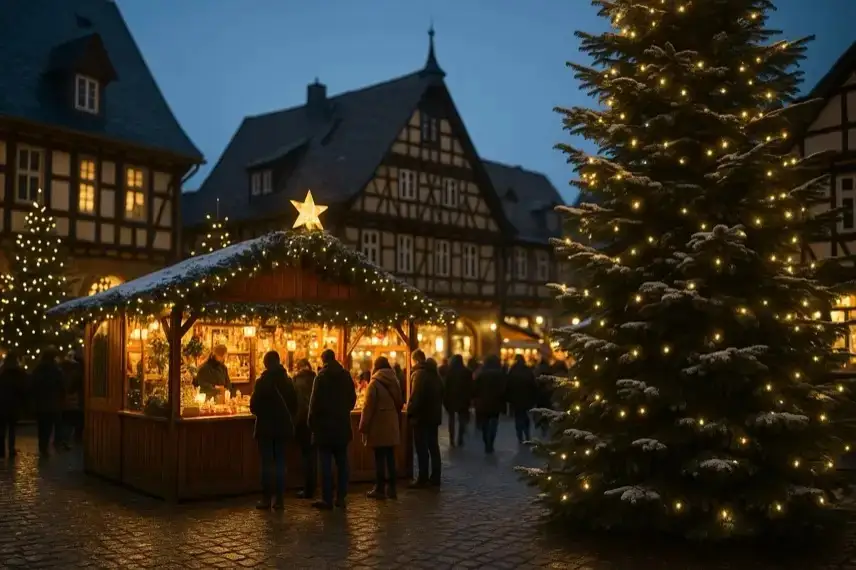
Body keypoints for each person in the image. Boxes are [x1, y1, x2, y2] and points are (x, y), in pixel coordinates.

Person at [249, 350, 298, 510]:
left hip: (266, 428)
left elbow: (254, 407)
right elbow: (294, 405)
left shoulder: (262, 382)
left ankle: (266, 498)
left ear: (265, 364)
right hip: (283, 427)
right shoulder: (288, 381)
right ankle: (280, 499)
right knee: (280, 463)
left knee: (267, 463)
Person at [308, 349, 357, 510]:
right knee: (342, 463)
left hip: (324, 427)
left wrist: (312, 423)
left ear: (323, 361)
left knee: (325, 464)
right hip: (342, 425)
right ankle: (341, 497)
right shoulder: (345, 376)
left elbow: (314, 403)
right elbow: (352, 399)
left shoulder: (321, 377)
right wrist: (343, 410)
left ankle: (327, 498)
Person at [359, 356, 404, 499]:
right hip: (391, 424)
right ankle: (392, 488)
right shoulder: (394, 381)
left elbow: (368, 407)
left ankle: (379, 488)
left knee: (379, 457)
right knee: (390, 457)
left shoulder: (374, 384)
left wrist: (363, 425)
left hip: (378, 425)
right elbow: (400, 402)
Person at [406, 350, 443, 487]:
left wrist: (409, 412)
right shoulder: (434, 374)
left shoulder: (419, 374)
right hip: (434, 416)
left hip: (421, 417)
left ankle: (422, 478)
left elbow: (416, 397)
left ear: (415, 360)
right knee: (433, 447)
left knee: (422, 448)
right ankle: (435, 477)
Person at [31, 348, 65, 457]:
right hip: (52, 403)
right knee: (49, 426)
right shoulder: (56, 370)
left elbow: (33, 385)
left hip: (40, 403)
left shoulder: (38, 369)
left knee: (42, 426)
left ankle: (42, 446)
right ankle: (44, 447)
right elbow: (61, 386)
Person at [292, 358, 317, 499]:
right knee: (313, 455)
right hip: (315, 421)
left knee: (306, 455)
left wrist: (295, 422)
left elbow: (296, 403)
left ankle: (308, 489)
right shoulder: (316, 380)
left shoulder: (296, 382)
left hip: (302, 422)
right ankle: (313, 486)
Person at [474, 355, 506, 454]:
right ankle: (490, 442)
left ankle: (486, 442)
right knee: (494, 423)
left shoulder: (481, 374)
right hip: (496, 402)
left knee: (485, 424)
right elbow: (504, 389)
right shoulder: (500, 374)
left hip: (483, 403)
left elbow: (475, 389)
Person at [0, 351, 28, 458]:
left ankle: (1, 450)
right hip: (14, 405)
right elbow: (23, 389)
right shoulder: (19, 374)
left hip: (2, 404)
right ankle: (11, 449)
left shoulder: (2, 373)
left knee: (2, 428)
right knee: (12, 428)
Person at [506, 354, 538, 443]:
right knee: (525, 415)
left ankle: (520, 435)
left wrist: (508, 398)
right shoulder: (528, 370)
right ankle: (527, 433)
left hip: (515, 398)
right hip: (527, 397)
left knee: (518, 416)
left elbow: (508, 385)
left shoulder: (512, 370)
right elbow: (533, 384)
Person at [443, 354, 473, 447]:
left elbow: (446, 386)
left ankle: (452, 439)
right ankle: (460, 437)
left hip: (451, 398)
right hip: (463, 399)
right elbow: (470, 387)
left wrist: (445, 399)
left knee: (451, 419)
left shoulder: (449, 372)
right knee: (462, 419)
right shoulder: (467, 372)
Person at [59, 350, 84, 448]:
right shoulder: (78, 371)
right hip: (76, 401)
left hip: (67, 401)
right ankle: (73, 439)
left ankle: (66, 439)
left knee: (67, 421)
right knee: (75, 421)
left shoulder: (63, 369)